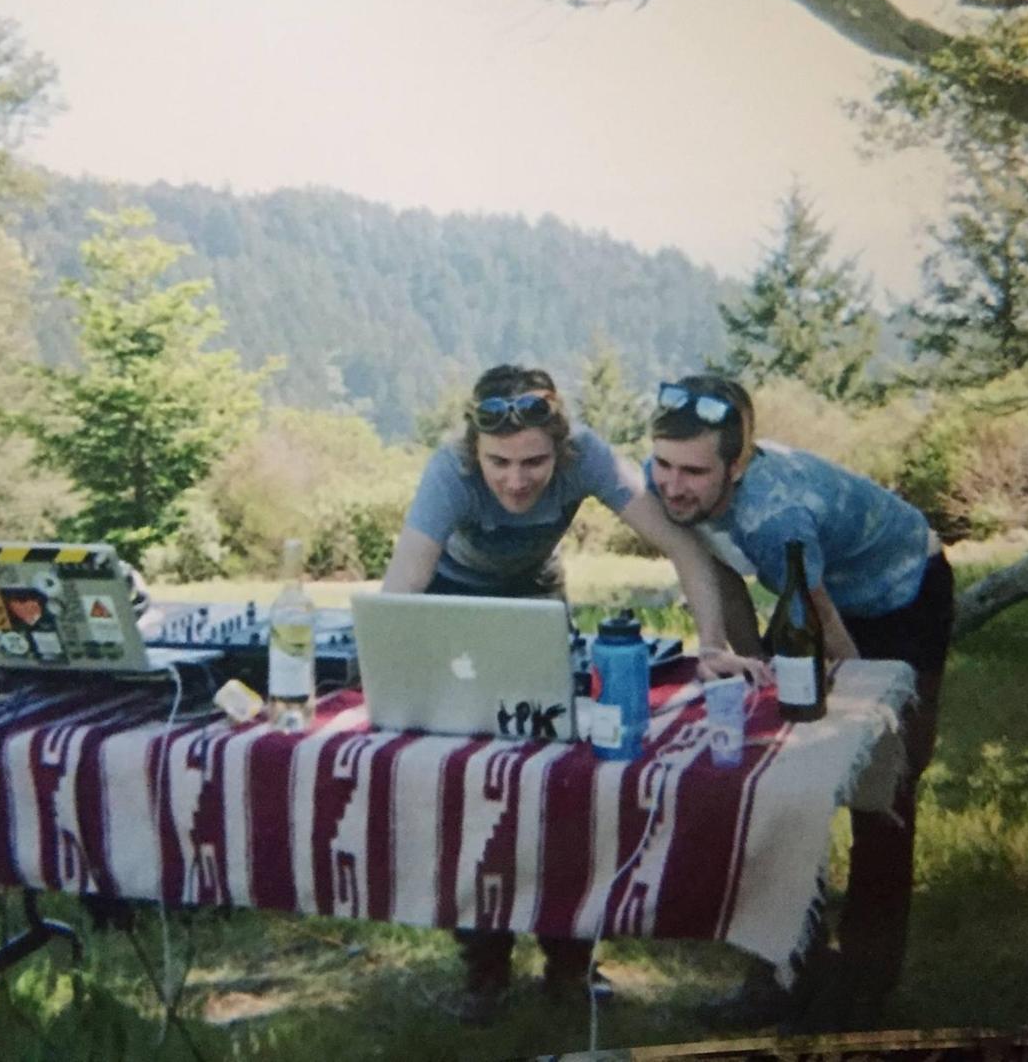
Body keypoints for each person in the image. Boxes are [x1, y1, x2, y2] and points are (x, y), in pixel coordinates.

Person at [379, 363, 754, 1021]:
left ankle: (571, 965)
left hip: (536, 598)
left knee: (563, 782)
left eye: (534, 462)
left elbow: (684, 547)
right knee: (468, 785)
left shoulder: (588, 457)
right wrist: (396, 676)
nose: (515, 480)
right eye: (498, 462)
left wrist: (712, 644)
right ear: (474, 450)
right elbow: (402, 590)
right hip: (455, 601)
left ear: (562, 448)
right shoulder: (449, 471)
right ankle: (484, 968)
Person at [644, 373, 955, 1027]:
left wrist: (868, 719)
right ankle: (786, 972)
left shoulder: (775, 515)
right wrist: (755, 672)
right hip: (812, 595)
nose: (672, 485)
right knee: (778, 780)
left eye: (693, 472)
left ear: (737, 465)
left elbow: (825, 623)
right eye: (664, 464)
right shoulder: (676, 485)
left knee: (884, 789)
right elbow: (720, 576)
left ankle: (864, 988)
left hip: (900, 593)